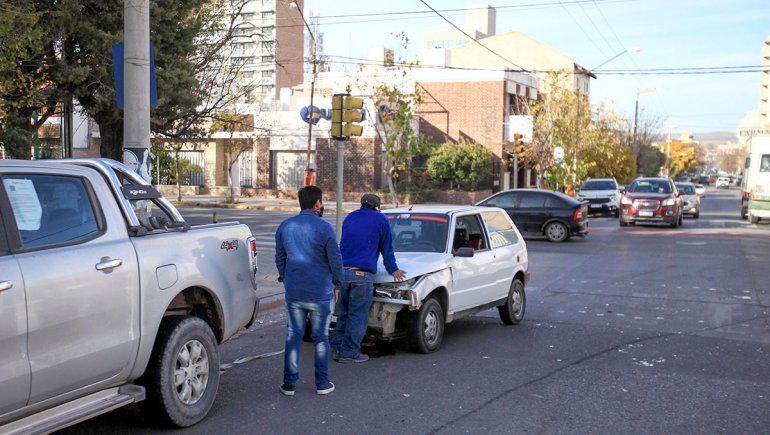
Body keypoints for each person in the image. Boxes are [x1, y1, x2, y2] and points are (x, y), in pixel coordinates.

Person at [275, 186, 343, 396]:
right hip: (321, 292)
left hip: (295, 291)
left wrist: (286, 278)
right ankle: (322, 384)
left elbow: (280, 258)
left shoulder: (285, 226)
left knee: (293, 335)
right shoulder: (325, 228)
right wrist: (338, 284)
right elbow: (335, 260)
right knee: (320, 337)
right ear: (317, 203)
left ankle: (289, 384)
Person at [332, 193, 406, 363]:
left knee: (344, 314)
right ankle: (349, 353)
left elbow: (345, 243)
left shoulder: (350, 217)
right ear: (377, 207)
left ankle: (337, 348)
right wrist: (393, 269)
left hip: (343, 273)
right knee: (357, 316)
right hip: (361, 275)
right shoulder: (380, 219)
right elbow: (387, 248)